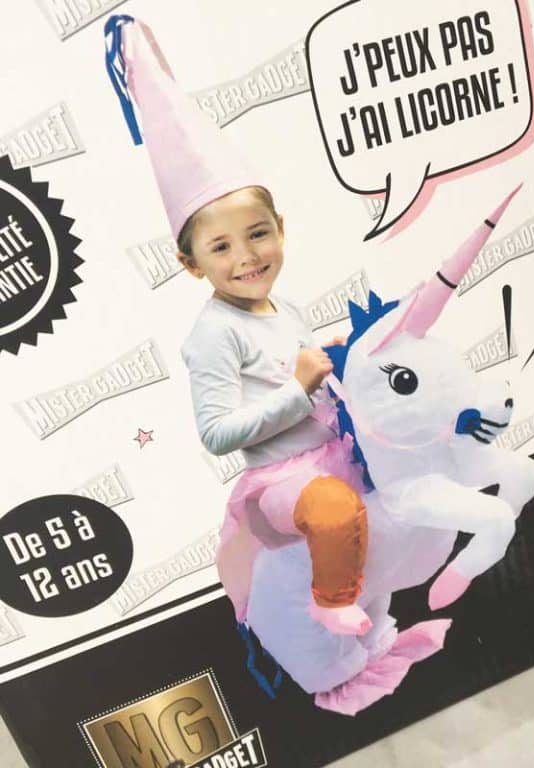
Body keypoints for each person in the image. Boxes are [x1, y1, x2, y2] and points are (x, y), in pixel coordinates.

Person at [104, 15, 371, 637]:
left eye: (257, 234)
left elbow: (301, 366)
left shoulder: (286, 307)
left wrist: (334, 354)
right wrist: (298, 388)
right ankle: (331, 601)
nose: (247, 257)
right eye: (221, 247)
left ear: (280, 229)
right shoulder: (212, 335)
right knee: (335, 512)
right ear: (190, 263)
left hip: (333, 452)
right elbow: (219, 434)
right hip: (282, 482)